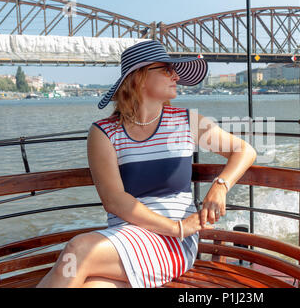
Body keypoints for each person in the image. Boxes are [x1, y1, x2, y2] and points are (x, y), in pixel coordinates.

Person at [37, 40, 257, 288]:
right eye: (166, 69)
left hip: (174, 243)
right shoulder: (104, 133)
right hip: (127, 236)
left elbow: (244, 150)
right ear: (139, 78)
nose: (175, 75)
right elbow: (115, 200)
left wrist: (220, 186)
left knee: (77, 251)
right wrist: (177, 227)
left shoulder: (186, 121)